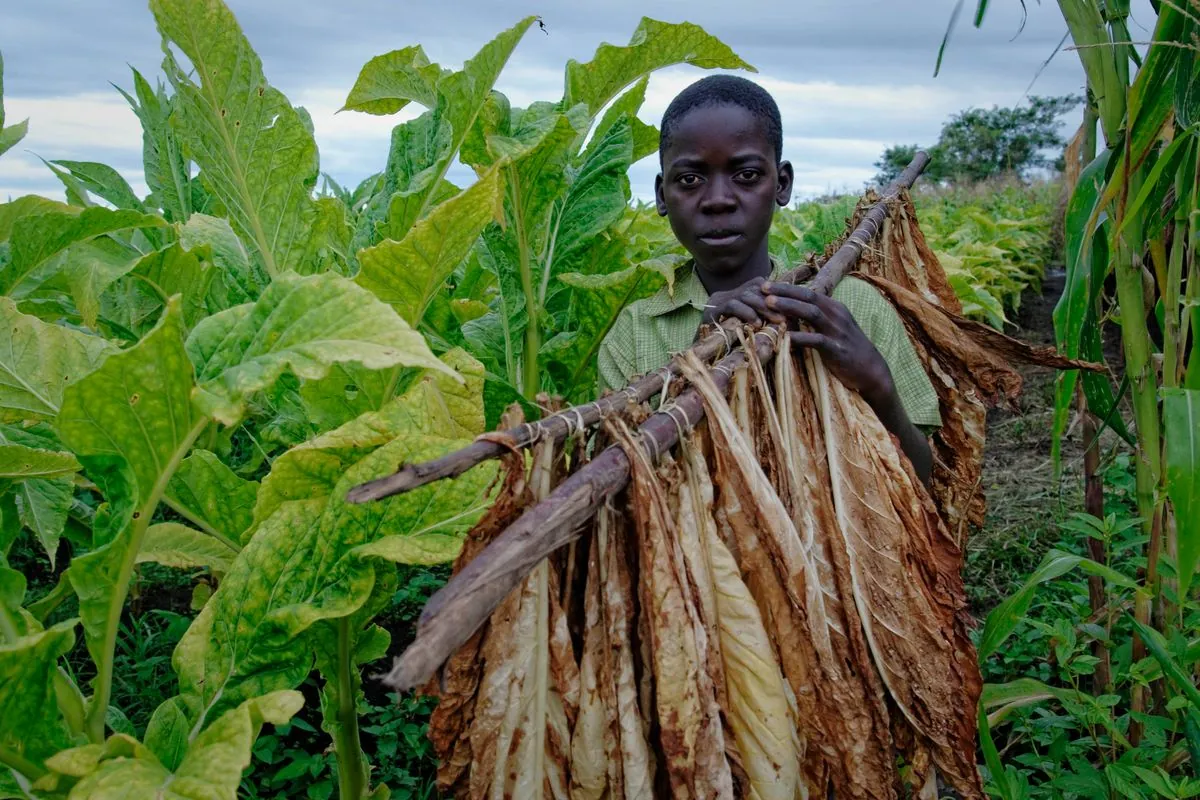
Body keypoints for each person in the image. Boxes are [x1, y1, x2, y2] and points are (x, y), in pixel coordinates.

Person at [596, 75, 940, 482]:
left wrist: (877, 383)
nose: (718, 200)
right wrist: (698, 365)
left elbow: (925, 478)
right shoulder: (636, 334)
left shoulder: (852, 307)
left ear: (782, 184)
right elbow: (617, 494)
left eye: (745, 175)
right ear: (661, 195)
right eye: (690, 179)